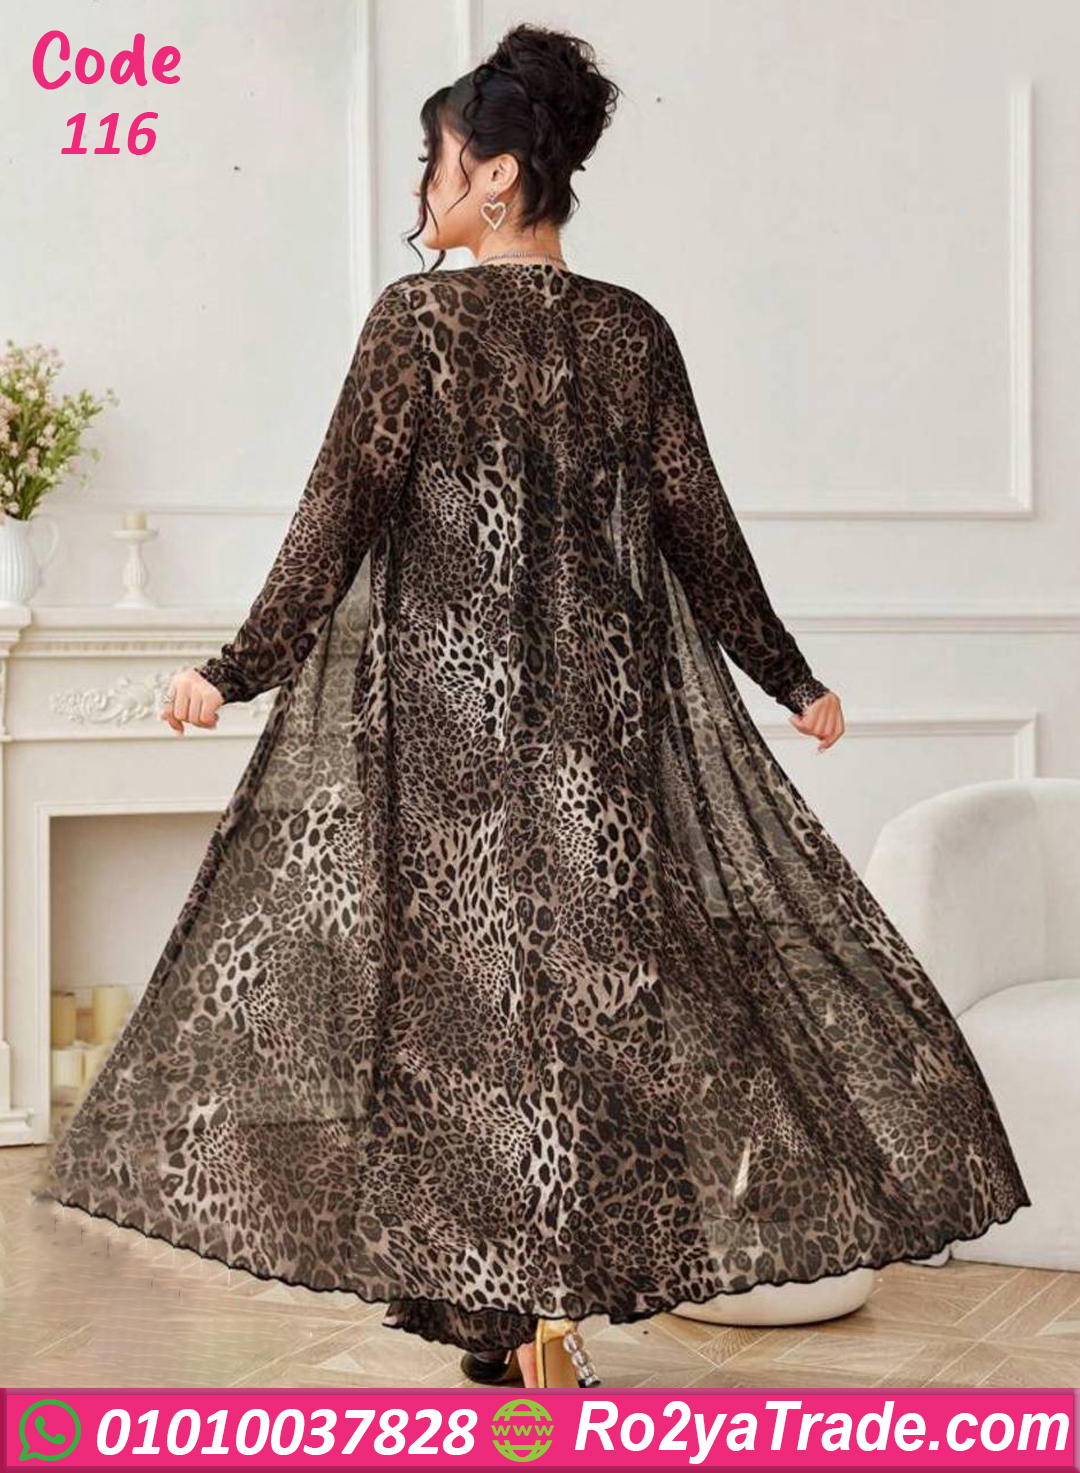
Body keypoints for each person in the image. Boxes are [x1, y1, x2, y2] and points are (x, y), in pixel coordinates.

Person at [33, 23, 1030, 1392]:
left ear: (500, 174)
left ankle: (512, 1316)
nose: (424, 185)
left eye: (437, 159)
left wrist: (234, 665)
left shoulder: (418, 323)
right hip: (597, 740)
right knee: (598, 1010)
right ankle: (542, 1315)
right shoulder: (631, 332)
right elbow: (703, 534)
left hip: (451, 740)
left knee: (469, 1028)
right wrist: (789, 676)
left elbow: (335, 519)